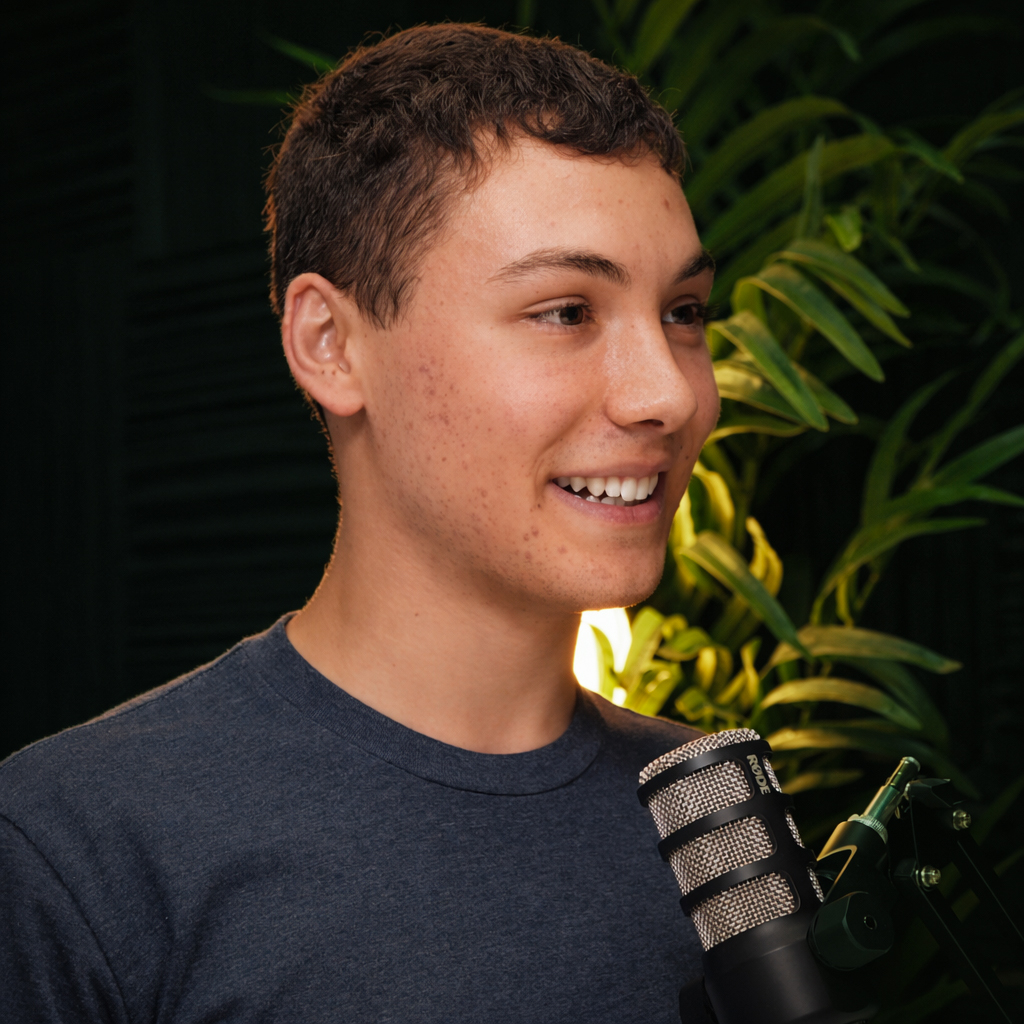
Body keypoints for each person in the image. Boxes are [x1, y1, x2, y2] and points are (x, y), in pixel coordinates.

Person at [0, 24, 719, 1023]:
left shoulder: (717, 817)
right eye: (565, 312)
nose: (667, 395)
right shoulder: (76, 850)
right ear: (332, 344)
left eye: (683, 313)